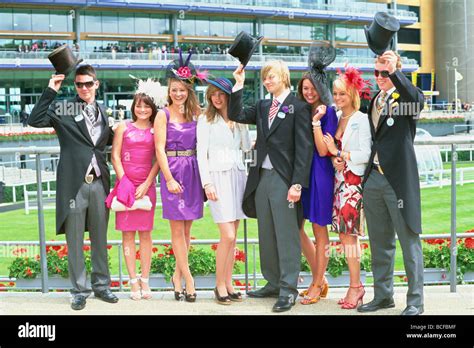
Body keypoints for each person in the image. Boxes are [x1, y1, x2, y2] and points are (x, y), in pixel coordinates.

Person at [28, 65, 118, 310]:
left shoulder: (102, 111)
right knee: (75, 240)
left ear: (96, 84)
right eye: (79, 84)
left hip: (99, 182)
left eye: (89, 83)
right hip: (74, 184)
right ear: (75, 86)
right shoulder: (67, 107)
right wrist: (51, 91)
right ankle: (79, 290)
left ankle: (102, 286)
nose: (84, 88)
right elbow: (34, 120)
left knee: (100, 238)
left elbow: (101, 142)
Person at [229, 61, 313, 312]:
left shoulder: (298, 107)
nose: (267, 81)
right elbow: (236, 114)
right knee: (266, 233)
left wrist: (297, 183)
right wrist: (239, 84)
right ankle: (273, 282)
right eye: (265, 78)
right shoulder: (264, 105)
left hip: (284, 179)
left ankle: (288, 289)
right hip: (261, 177)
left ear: (284, 77)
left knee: (287, 234)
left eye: (272, 76)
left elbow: (304, 149)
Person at [358, 51, 425, 316]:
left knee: (409, 241)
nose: (380, 77)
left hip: (398, 180)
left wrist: (396, 72)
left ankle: (415, 302)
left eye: (385, 72)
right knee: (379, 242)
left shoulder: (406, 97)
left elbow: (418, 102)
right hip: (374, 178)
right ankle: (383, 296)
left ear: (396, 71)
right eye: (377, 72)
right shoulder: (375, 99)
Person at [154, 49, 205, 302]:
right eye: (174, 89)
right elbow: (159, 150)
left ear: (189, 90)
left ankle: (177, 276)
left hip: (193, 171)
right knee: (176, 229)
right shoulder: (162, 115)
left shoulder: (196, 114)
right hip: (173, 171)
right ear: (169, 90)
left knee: (186, 231)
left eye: (183, 89)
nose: (178, 93)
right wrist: (170, 179)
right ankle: (190, 280)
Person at [107, 80, 164, 300]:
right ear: (133, 106)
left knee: (146, 235)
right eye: (139, 105)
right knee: (128, 235)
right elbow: (115, 156)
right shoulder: (123, 127)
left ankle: (145, 280)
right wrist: (125, 183)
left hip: (146, 187)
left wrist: (147, 183)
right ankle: (132, 281)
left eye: (147, 106)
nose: (142, 110)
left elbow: (159, 158)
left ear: (153, 108)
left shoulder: (156, 130)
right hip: (126, 186)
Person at [196, 77, 251, 305]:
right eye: (213, 94)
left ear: (229, 96)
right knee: (226, 235)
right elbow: (201, 154)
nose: (217, 98)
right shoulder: (205, 120)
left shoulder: (239, 120)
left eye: (221, 94)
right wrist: (207, 183)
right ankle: (219, 285)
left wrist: (244, 124)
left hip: (238, 177)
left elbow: (247, 148)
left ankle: (229, 283)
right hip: (217, 179)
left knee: (233, 237)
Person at [322, 66, 372, 310]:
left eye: (342, 94)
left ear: (353, 94)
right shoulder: (336, 116)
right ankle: (355, 286)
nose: (338, 98)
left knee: (349, 238)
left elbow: (366, 153)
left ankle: (356, 287)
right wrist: (335, 158)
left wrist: (339, 152)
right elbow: (334, 155)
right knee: (343, 237)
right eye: (335, 93)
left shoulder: (361, 120)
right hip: (338, 183)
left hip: (353, 187)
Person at [297, 72, 338, 305]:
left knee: (319, 230)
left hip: (320, 173)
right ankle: (319, 280)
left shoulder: (328, 112)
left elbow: (323, 150)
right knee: (298, 227)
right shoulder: (303, 109)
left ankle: (317, 283)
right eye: (305, 89)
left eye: (313, 88)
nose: (309, 93)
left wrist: (316, 122)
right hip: (303, 173)